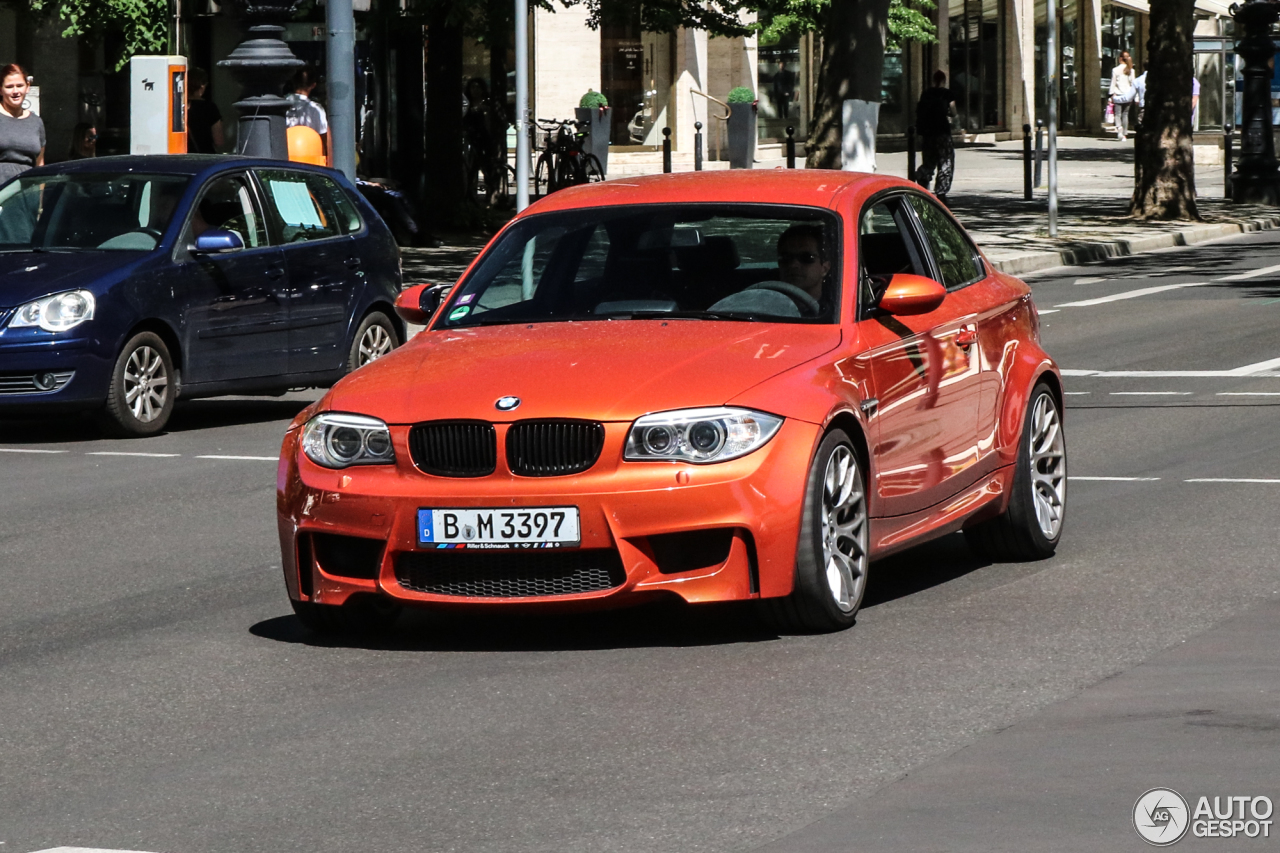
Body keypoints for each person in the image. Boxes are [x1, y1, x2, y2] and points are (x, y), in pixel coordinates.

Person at [914, 70, 956, 205]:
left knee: (929, 159)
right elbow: (953, 112)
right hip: (942, 131)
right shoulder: (947, 94)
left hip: (927, 132)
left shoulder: (926, 93)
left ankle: (922, 178)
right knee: (945, 161)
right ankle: (941, 192)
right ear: (944, 80)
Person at [0, 63, 45, 185]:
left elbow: (40, 165)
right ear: (1, 89)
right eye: (9, 87)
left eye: (19, 85)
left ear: (27, 87)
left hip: (28, 195)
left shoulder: (36, 122)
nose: (15, 91)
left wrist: (40, 202)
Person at [776, 223, 831, 314]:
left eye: (806, 258)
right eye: (786, 258)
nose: (794, 265)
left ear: (824, 268)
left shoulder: (837, 311)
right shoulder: (760, 304)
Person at [286, 68, 328, 155]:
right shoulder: (316, 109)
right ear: (313, 85)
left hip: (284, 156)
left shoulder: (280, 105)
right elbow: (323, 138)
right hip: (310, 158)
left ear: (293, 82)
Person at [186, 68, 224, 154]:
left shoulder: (178, 106)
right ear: (202, 87)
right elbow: (219, 141)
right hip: (205, 156)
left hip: (183, 156)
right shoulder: (210, 108)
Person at [1110, 50, 1136, 141]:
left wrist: (1111, 94)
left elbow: (1113, 83)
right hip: (1128, 95)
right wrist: (1135, 96)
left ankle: (1119, 129)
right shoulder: (1131, 70)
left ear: (1120, 58)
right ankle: (1125, 134)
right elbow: (1133, 83)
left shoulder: (1115, 70)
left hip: (1118, 94)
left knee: (1117, 114)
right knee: (1125, 114)